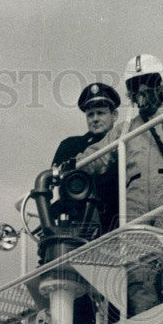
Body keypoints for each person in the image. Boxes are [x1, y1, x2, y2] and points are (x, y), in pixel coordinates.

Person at [77, 55, 163, 314]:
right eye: (135, 84)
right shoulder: (124, 130)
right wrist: (69, 166)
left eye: (148, 81)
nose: (142, 90)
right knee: (139, 285)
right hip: (136, 218)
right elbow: (95, 158)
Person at [52, 82, 121, 234]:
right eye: (90, 114)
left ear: (114, 115)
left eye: (101, 113)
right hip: (78, 228)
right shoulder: (70, 146)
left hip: (117, 223)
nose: (95, 119)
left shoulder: (124, 143)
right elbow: (55, 185)